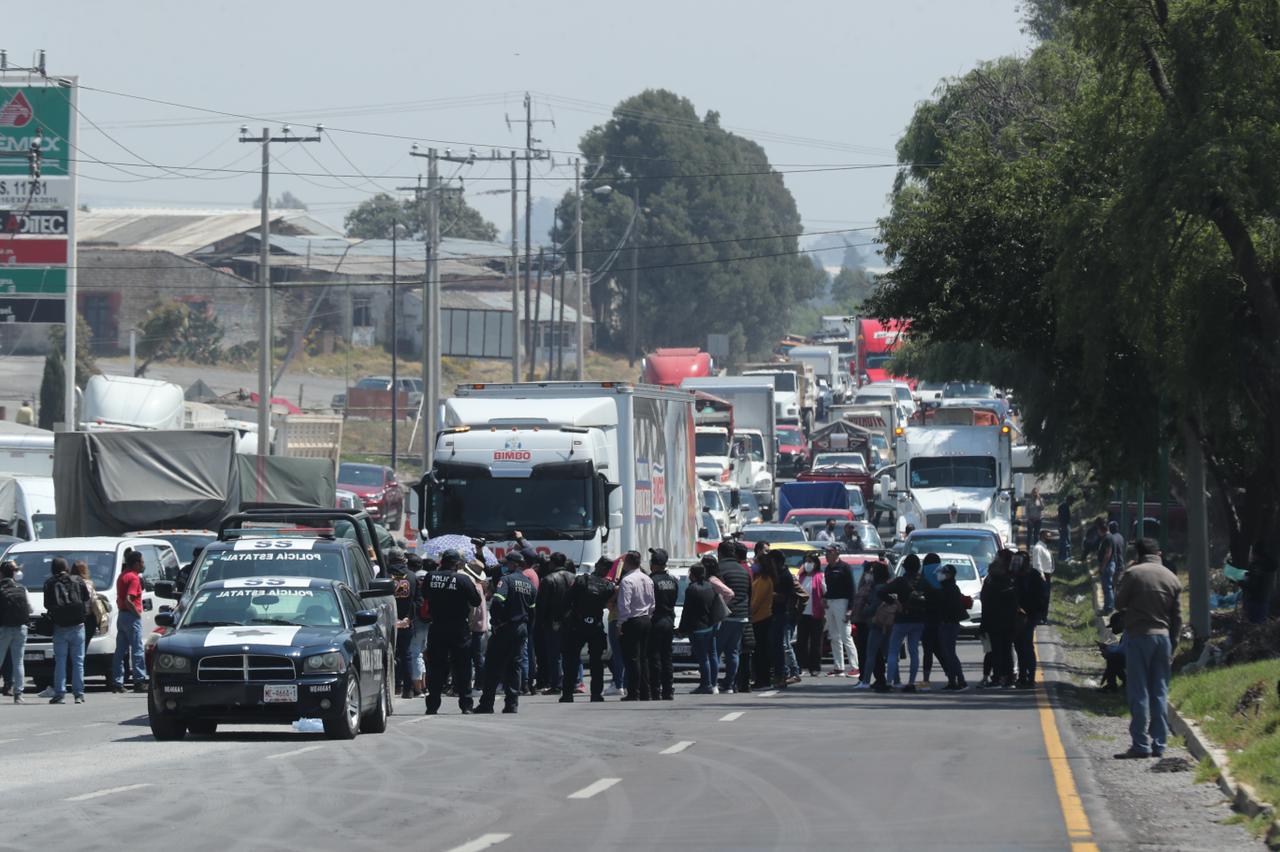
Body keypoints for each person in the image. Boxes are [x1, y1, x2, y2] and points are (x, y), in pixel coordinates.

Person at [1113, 538, 1182, 759]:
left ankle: (1140, 744)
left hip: (1139, 637)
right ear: (1158, 553)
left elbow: (1118, 603)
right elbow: (1177, 617)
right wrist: (1174, 642)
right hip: (1163, 639)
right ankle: (1160, 744)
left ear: (1139, 554)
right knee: (1160, 692)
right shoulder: (1171, 578)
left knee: (1139, 691)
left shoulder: (1134, 574)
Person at [421, 550, 482, 715]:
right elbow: (476, 601)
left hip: (438, 627)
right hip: (458, 629)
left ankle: (432, 705)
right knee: (463, 667)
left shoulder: (430, 577)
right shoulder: (463, 579)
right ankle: (466, 705)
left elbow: (424, 594)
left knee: (436, 667)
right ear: (456, 564)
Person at [476, 551, 537, 714]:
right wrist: (527, 630)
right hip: (521, 629)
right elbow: (532, 612)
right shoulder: (530, 584)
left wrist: (496, 622)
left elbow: (498, 601)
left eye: (507, 563)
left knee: (493, 665)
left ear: (515, 564)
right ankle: (512, 704)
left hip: (505, 628)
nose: (504, 566)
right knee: (514, 666)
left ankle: (486, 704)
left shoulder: (506, 580)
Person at [560, 557, 615, 703]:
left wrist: (565, 619)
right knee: (596, 662)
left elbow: (566, 600)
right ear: (607, 570)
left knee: (572, 660)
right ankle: (596, 694)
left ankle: (567, 694)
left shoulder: (581, 581)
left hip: (577, 625)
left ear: (596, 566)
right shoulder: (608, 586)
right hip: (595, 626)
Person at [44, 557, 87, 704]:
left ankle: (60, 693)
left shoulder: (50, 583)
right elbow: (86, 598)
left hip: (60, 626)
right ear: (67, 567)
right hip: (78, 625)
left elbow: (47, 604)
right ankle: (79, 694)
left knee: (60, 660)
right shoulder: (78, 580)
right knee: (78, 661)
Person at [884, 555, 928, 691]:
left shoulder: (900, 581)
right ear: (918, 567)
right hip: (919, 619)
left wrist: (895, 602)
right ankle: (911, 682)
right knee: (914, 651)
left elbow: (882, 591)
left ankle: (889, 682)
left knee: (893, 651)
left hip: (902, 619)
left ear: (904, 567)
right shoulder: (923, 581)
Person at [615, 550, 654, 702]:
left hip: (632, 620)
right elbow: (652, 602)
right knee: (643, 658)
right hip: (645, 619)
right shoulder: (647, 578)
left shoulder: (627, 580)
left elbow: (624, 605)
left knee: (632, 658)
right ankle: (645, 691)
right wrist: (648, 615)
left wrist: (620, 624)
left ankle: (633, 692)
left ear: (628, 562)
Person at [534, 553, 575, 695]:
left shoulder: (548, 579)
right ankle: (571, 682)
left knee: (554, 655)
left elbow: (541, 605)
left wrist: (539, 623)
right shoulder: (574, 578)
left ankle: (556, 684)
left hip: (553, 622)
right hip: (571, 621)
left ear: (552, 564)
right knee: (569, 654)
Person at [714, 539, 751, 694]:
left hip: (725, 616)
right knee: (733, 651)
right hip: (742, 616)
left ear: (720, 553)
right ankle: (729, 685)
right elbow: (749, 594)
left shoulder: (719, 569)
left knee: (715, 650)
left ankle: (712, 682)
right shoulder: (743, 570)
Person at [679, 558, 721, 694]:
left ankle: (706, 684)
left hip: (698, 628)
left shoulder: (692, 589)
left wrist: (682, 629)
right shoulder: (710, 586)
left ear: (693, 574)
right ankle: (713, 683)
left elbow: (687, 611)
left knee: (703, 658)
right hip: (711, 625)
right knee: (713, 655)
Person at [978, 552, 1018, 688]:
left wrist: (984, 623)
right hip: (1009, 620)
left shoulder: (991, 581)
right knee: (1007, 649)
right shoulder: (1012, 579)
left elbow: (986, 601)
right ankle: (1009, 678)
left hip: (994, 620)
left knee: (997, 650)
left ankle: (997, 678)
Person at [111, 548, 147, 694]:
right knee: (137, 650)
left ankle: (117, 682)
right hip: (131, 617)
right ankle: (139, 681)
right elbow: (129, 599)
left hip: (122, 616)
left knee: (120, 651)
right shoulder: (133, 577)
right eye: (142, 562)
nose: (143, 565)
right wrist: (137, 613)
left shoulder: (122, 576)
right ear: (136, 563)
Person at [384, 548, 417, 699]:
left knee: (388, 655)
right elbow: (418, 601)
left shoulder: (383, 576)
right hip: (406, 622)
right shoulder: (411, 576)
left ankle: (393, 687)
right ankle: (408, 690)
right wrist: (408, 619)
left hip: (386, 623)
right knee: (406, 655)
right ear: (403, 559)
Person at [821, 545, 858, 677]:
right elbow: (830, 588)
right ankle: (838, 667)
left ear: (837, 553)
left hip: (842, 603)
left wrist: (850, 609)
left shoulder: (845, 567)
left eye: (829, 552)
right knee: (834, 636)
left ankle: (855, 667)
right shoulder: (827, 569)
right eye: (826, 552)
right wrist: (825, 598)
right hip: (830, 603)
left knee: (845, 636)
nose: (827, 554)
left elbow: (852, 590)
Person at [647, 548, 678, 701]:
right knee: (667, 657)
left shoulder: (651, 581)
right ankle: (668, 690)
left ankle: (655, 690)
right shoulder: (673, 580)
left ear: (653, 564)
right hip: (668, 620)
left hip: (656, 620)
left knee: (654, 657)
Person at [1014, 550, 1048, 689]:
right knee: (1018, 646)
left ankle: (1031, 677)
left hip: (1030, 616)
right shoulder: (1015, 576)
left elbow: (1042, 598)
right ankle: (1022, 676)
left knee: (1027, 646)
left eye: (1018, 561)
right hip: (1016, 617)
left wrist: (1033, 614)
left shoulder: (1033, 576)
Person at [858, 560, 893, 692]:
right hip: (887, 623)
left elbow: (873, 607)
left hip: (877, 623)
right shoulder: (887, 585)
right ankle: (894, 680)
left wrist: (864, 611)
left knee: (871, 654)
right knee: (889, 654)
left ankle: (866, 681)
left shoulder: (878, 588)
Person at [0, 560, 31, 704]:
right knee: (18, 662)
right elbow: (30, 609)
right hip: (21, 628)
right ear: (14, 573)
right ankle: (18, 694)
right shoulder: (22, 588)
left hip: (3, 628)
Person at [934, 563, 969, 690]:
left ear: (949, 575)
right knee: (947, 653)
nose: (941, 574)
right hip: (947, 623)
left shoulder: (950, 588)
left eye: (944, 572)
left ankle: (961, 680)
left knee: (950, 653)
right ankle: (952, 681)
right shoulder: (946, 587)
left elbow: (948, 607)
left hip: (949, 624)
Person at [769, 551, 800, 688]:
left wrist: (770, 594)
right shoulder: (775, 575)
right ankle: (782, 673)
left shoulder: (785, 576)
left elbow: (784, 597)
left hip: (782, 614)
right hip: (775, 614)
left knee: (783, 645)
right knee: (776, 646)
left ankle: (789, 672)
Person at [458, 558, 489, 694]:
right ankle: (479, 684)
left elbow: (473, 610)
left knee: (474, 657)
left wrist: (469, 625)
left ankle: (477, 684)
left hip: (475, 627)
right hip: (481, 626)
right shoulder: (479, 586)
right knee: (478, 657)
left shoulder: (474, 587)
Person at [795, 553, 826, 676]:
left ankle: (815, 667)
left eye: (810, 562)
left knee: (815, 642)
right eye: (806, 562)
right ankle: (801, 666)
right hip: (802, 614)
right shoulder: (801, 577)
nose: (808, 564)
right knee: (801, 641)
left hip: (816, 614)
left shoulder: (820, 576)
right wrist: (799, 571)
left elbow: (825, 592)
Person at [749, 542, 775, 689]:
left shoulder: (764, 581)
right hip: (760, 618)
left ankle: (763, 680)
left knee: (761, 652)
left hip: (761, 619)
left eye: (756, 563)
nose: (754, 566)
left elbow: (756, 602)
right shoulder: (760, 579)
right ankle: (761, 678)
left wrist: (749, 614)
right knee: (760, 651)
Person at [918, 553, 946, 687]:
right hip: (941, 619)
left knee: (928, 650)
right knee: (940, 650)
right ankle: (953, 675)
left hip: (926, 619)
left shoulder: (923, 579)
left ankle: (926, 679)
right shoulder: (942, 577)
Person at [408, 553, 433, 697]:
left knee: (414, 653)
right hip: (427, 619)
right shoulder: (429, 576)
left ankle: (417, 688)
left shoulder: (413, 578)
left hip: (416, 619)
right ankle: (424, 686)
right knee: (422, 653)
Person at [73, 560, 105, 656]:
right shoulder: (89, 584)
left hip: (73, 619)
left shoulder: (69, 582)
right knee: (83, 648)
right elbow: (94, 601)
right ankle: (79, 669)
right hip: (87, 619)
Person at [1240, 541, 1275, 625]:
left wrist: (1241, 583)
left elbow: (1252, 587)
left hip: (1254, 601)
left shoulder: (1256, 567)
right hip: (1264, 600)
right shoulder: (1270, 564)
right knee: (1260, 626)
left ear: (1255, 553)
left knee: (1253, 626)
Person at [1097, 521, 1119, 613]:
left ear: (1102, 530)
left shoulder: (1108, 538)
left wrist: (1103, 565)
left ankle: (1109, 607)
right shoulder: (1107, 538)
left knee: (1107, 587)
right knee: (1106, 587)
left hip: (1108, 565)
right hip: (1108, 565)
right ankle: (1107, 605)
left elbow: (1108, 553)